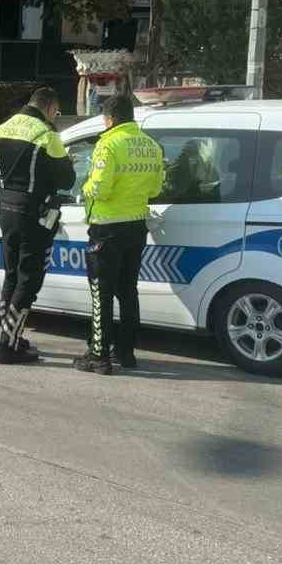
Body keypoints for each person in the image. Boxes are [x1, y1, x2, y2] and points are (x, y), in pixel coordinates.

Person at [73, 93, 164, 375]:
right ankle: (126, 352)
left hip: (106, 227)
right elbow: (156, 189)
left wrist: (84, 189)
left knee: (101, 293)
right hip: (136, 226)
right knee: (128, 291)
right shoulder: (151, 146)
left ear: (109, 119)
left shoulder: (108, 145)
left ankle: (98, 356)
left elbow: (100, 188)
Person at [0, 87, 73, 365]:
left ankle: (12, 335)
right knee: (29, 280)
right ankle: (7, 347)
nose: (55, 117)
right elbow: (68, 179)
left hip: (6, 211)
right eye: (56, 112)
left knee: (12, 275)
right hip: (33, 214)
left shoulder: (1, 129)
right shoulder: (47, 135)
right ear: (49, 108)